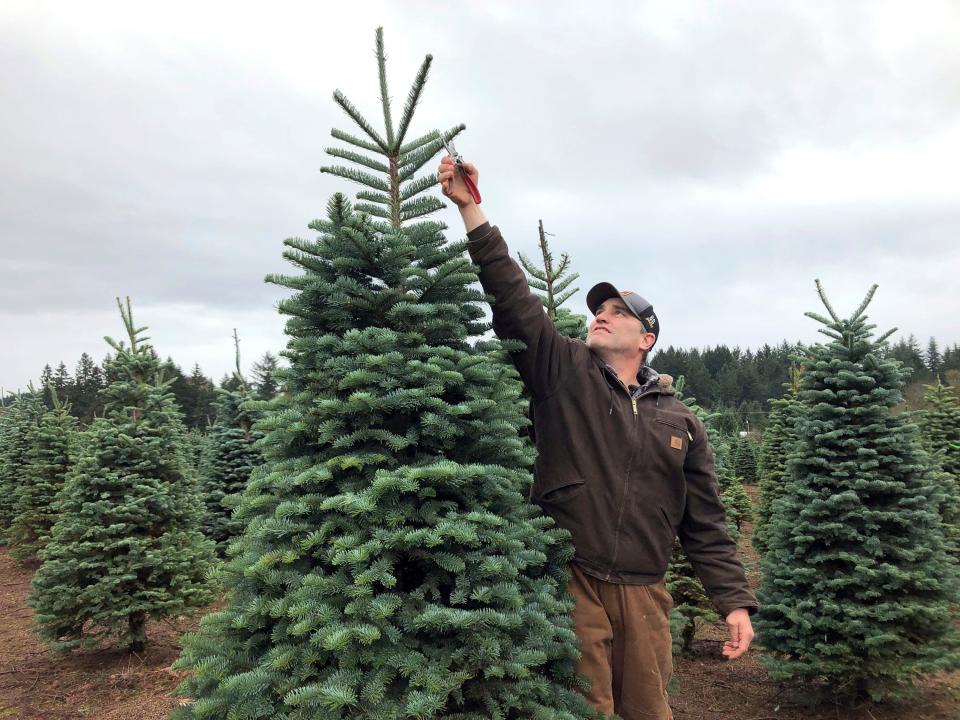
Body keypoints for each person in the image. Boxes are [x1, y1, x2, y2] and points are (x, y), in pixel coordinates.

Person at [437, 155, 758, 720]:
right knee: (586, 710)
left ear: (647, 337)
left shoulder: (679, 420)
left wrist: (732, 602)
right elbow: (513, 305)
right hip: (573, 577)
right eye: (597, 310)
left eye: (617, 312)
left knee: (647, 712)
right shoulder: (565, 372)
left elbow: (704, 521)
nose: (600, 317)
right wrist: (471, 210)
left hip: (645, 592)